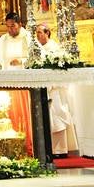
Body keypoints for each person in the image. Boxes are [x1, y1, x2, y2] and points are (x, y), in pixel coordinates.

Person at [36, 22, 78, 155]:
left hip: (55, 88)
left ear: (47, 33)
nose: (37, 35)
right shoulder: (38, 48)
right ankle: (50, 149)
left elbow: (58, 68)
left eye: (40, 32)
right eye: (36, 33)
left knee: (58, 116)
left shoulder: (54, 48)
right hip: (45, 87)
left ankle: (60, 149)